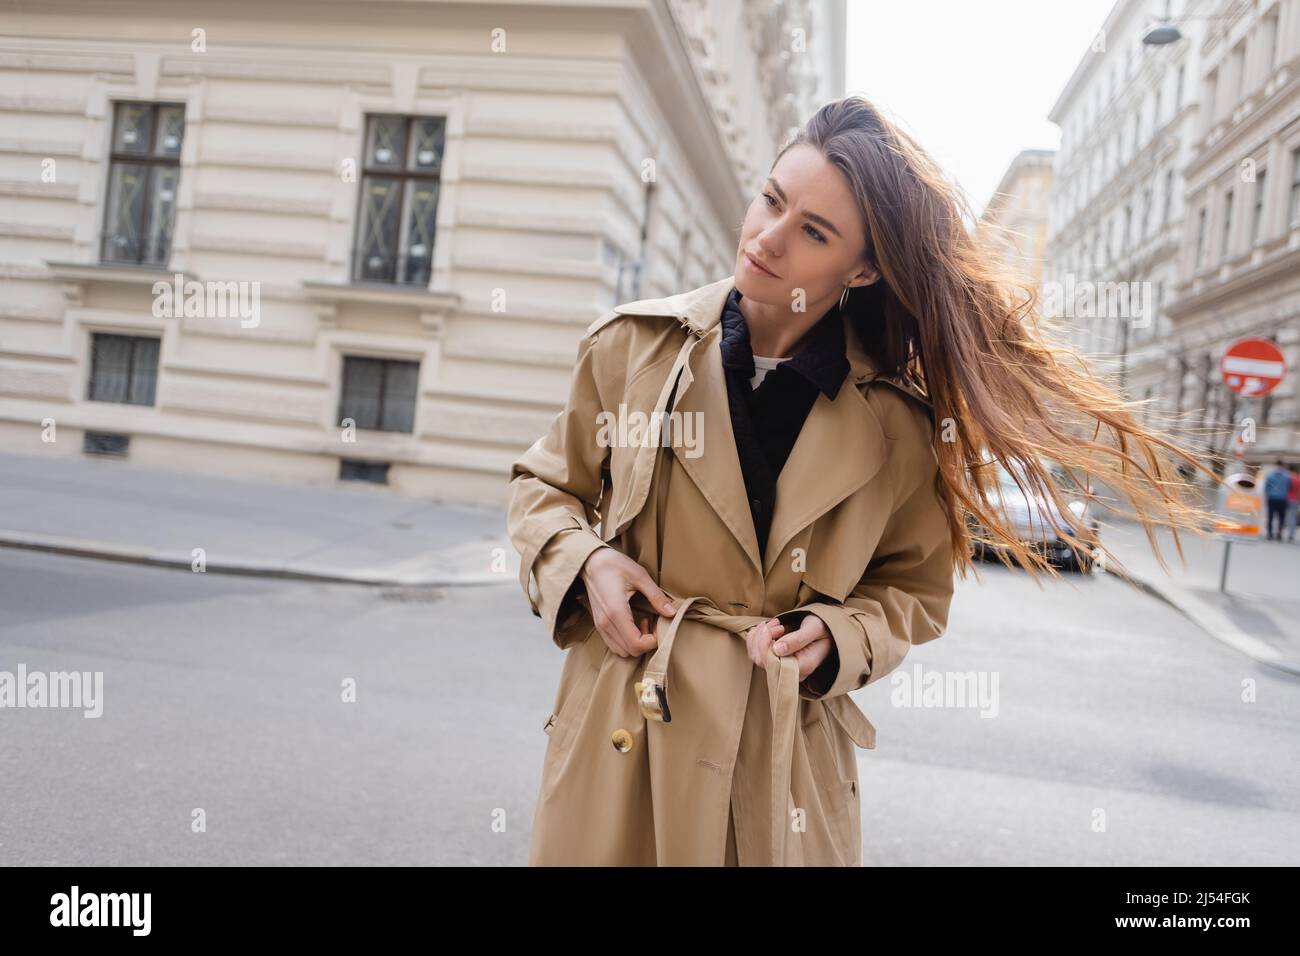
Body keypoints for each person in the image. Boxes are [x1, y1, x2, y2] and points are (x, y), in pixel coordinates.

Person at [506, 95, 1219, 867]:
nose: (767, 239)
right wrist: (586, 561)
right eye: (771, 201)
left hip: (780, 764)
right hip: (622, 738)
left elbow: (912, 591)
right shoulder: (631, 349)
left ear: (864, 267)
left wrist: (842, 636)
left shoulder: (900, 425)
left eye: (813, 232)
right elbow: (546, 488)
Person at [1264, 459, 1292, 540]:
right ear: (1283, 465)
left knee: (1270, 517)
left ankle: (1269, 534)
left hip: (1272, 498)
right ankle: (1279, 533)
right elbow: (1289, 487)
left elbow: (1266, 488)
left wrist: (1267, 496)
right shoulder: (1287, 475)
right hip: (1282, 499)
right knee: (1281, 517)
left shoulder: (1270, 475)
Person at [1285, 464, 1300, 543]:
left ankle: (1280, 531)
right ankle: (1291, 534)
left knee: (1285, 516)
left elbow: (1285, 488)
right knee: (1293, 517)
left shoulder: (1289, 478)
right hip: (1296, 500)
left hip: (1287, 499)